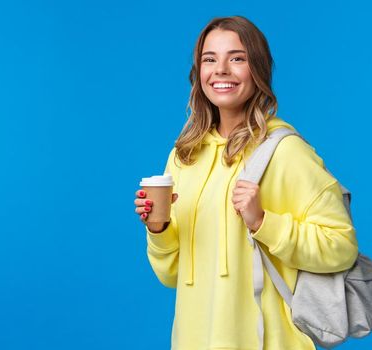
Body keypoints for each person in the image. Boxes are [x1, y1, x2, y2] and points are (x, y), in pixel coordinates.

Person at [133, 16, 358, 350]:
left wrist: (264, 222)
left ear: (258, 70)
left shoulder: (285, 152)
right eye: (210, 59)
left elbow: (342, 247)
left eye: (237, 58)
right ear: (199, 73)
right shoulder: (183, 156)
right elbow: (170, 276)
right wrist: (159, 230)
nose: (221, 69)